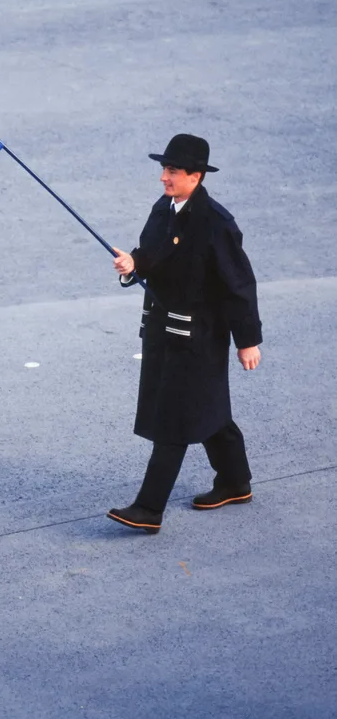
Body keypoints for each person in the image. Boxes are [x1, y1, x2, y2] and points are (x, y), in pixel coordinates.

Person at [107, 134, 262, 535]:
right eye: (164, 169)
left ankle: (148, 508)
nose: (163, 177)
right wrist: (134, 262)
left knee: (174, 418)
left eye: (173, 171)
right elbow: (151, 252)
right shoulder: (164, 208)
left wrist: (247, 340)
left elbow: (238, 284)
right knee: (208, 408)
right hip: (162, 328)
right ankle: (234, 481)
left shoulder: (216, 224)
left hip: (198, 336)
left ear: (196, 176)